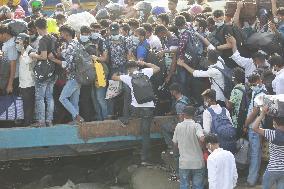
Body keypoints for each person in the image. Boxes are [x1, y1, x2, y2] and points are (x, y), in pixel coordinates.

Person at [111, 60, 160, 165]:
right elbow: (157, 68)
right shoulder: (146, 72)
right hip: (149, 108)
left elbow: (113, 77)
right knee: (146, 134)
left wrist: (118, 72)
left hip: (135, 109)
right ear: (137, 67)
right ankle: (144, 158)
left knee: (127, 98)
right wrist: (145, 63)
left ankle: (126, 119)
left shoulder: (127, 77)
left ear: (128, 69)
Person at [48, 25, 85, 125]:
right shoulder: (77, 43)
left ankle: (77, 117)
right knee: (74, 101)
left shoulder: (70, 46)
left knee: (62, 98)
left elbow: (66, 64)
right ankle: (76, 121)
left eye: (62, 33)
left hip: (73, 77)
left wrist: (54, 59)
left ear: (67, 34)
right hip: (79, 76)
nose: (61, 35)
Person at [29, 17, 56, 127]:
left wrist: (33, 55)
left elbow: (43, 56)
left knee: (40, 98)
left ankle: (41, 121)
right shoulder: (53, 37)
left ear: (37, 28)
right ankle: (49, 120)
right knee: (49, 97)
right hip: (52, 71)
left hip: (42, 73)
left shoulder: (43, 40)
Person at [244, 72, 267, 187]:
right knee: (254, 153)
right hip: (253, 127)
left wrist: (245, 124)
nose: (251, 84)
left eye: (253, 82)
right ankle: (254, 176)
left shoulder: (261, 94)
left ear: (258, 80)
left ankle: (252, 179)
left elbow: (254, 112)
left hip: (256, 127)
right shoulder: (256, 91)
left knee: (255, 154)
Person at [172, 106, 205, 189]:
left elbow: (174, 143)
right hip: (197, 162)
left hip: (184, 162)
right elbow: (201, 138)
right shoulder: (196, 126)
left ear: (183, 115)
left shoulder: (178, 126)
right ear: (194, 115)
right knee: (198, 186)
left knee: (184, 186)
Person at [252, 106, 284, 189]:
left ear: (275, 123)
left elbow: (254, 128)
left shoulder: (271, 134)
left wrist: (262, 114)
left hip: (272, 169)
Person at [161, 83, 189, 151]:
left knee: (164, 127)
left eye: (171, 91)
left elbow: (181, 119)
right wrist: (170, 113)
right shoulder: (185, 98)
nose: (170, 92)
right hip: (189, 120)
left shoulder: (179, 104)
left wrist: (178, 129)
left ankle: (172, 146)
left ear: (174, 91)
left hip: (183, 124)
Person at [16, 33, 35, 126]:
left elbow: (28, 61)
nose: (17, 44)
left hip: (29, 83)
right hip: (23, 83)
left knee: (28, 105)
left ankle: (28, 123)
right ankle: (27, 122)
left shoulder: (30, 50)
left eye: (18, 42)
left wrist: (22, 48)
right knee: (25, 104)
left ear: (25, 42)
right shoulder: (22, 51)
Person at [226, 67, 247, 137]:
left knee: (238, 138)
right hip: (245, 116)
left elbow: (229, 106)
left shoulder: (235, 90)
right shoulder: (245, 87)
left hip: (237, 119)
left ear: (233, 78)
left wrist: (226, 100)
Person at [0, 25, 18, 95]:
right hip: (5, 76)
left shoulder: (11, 45)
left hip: (10, 79)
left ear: (4, 34)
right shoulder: (7, 42)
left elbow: (13, 65)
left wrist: (10, 85)